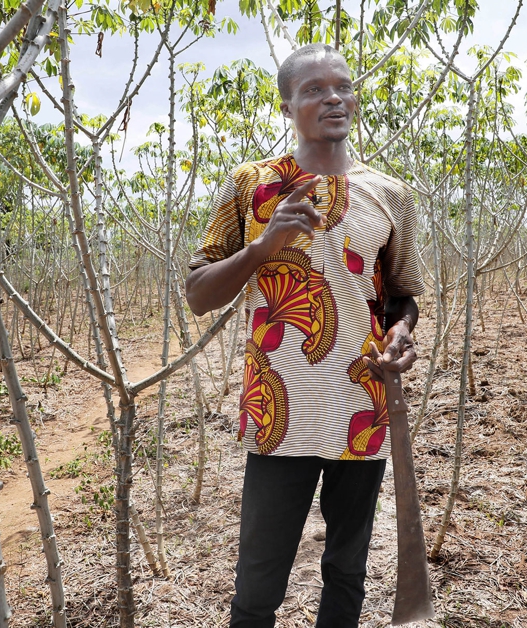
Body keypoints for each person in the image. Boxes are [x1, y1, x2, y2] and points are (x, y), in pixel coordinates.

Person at [185, 43, 424, 628]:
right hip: (279, 408)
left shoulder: (391, 193)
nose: (333, 97)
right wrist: (263, 247)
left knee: (347, 569)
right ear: (287, 103)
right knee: (259, 579)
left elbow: (400, 294)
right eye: (314, 89)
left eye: (342, 86)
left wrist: (400, 334)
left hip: (360, 406)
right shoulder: (252, 184)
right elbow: (197, 294)